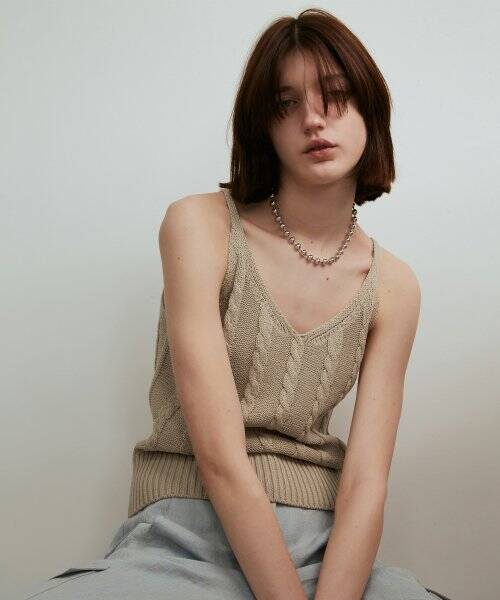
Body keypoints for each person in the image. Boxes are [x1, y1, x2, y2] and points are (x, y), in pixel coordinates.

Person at [21, 7, 450, 600]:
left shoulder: (394, 285)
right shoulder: (199, 227)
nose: (313, 119)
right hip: (184, 535)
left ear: (371, 112)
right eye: (285, 104)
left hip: (326, 550)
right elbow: (220, 458)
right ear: (263, 127)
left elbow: (367, 482)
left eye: (336, 95)